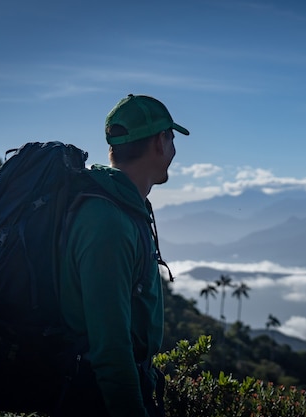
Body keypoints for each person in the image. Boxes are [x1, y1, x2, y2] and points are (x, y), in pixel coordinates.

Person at [56, 94, 189, 416]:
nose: (174, 150)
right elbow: (111, 351)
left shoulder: (117, 204)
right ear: (160, 141)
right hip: (95, 400)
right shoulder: (108, 222)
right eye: (171, 139)